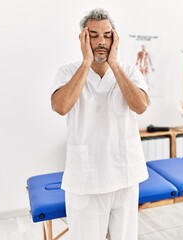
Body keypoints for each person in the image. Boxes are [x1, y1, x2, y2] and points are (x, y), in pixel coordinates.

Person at [50, 8, 150, 240]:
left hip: (125, 175)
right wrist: (86, 62)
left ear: (114, 38)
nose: (101, 42)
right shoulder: (68, 72)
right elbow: (61, 106)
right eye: (93, 35)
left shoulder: (129, 71)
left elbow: (140, 106)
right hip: (86, 179)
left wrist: (114, 63)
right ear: (83, 38)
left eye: (106, 35)